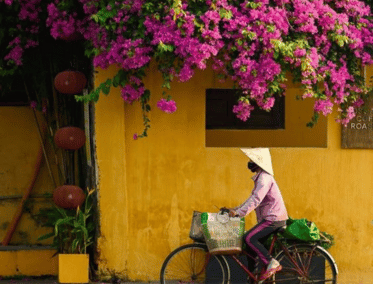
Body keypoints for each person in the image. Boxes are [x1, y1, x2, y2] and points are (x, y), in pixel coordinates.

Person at [228, 148, 288, 281]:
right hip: (271, 218)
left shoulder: (264, 179)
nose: (249, 163)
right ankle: (253, 278)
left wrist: (239, 213)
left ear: (258, 162)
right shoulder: (262, 178)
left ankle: (272, 262)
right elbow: (252, 198)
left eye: (251, 161)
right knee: (250, 248)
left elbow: (256, 200)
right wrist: (236, 209)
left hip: (273, 219)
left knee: (249, 238)